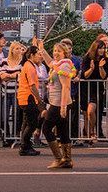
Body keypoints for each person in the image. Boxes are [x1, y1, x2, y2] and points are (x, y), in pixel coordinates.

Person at [40, 41, 75, 169]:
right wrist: (42, 50)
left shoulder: (64, 65)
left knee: (46, 128)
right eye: (54, 50)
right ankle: (67, 160)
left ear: (64, 53)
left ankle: (59, 158)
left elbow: (66, 87)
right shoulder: (57, 64)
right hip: (57, 101)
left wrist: (63, 107)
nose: (55, 53)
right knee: (62, 129)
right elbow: (50, 62)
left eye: (58, 51)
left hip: (59, 102)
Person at [17, 45, 44, 156]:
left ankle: (25, 145)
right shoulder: (30, 67)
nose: (40, 56)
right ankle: (24, 145)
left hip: (25, 97)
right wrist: (39, 99)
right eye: (38, 54)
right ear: (32, 55)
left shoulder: (28, 65)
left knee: (27, 123)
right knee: (32, 124)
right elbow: (32, 86)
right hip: (29, 97)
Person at [81, 39, 108, 142]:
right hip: (85, 88)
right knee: (85, 114)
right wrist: (92, 69)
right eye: (100, 48)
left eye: (103, 48)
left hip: (97, 89)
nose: (102, 50)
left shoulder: (105, 59)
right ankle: (87, 134)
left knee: (91, 111)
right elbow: (84, 75)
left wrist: (101, 68)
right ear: (95, 48)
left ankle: (92, 131)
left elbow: (104, 77)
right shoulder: (87, 58)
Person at [0, 41, 23, 142]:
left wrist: (9, 75)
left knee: (16, 115)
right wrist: (14, 75)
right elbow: (2, 76)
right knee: (4, 115)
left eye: (20, 49)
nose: (19, 51)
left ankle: (15, 135)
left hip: (17, 92)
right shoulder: (4, 61)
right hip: (6, 91)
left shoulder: (23, 62)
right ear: (12, 50)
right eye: (17, 49)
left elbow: (21, 75)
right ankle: (7, 135)